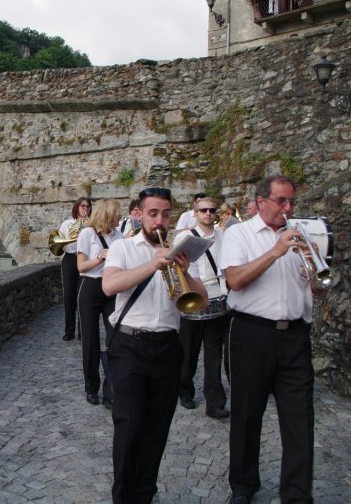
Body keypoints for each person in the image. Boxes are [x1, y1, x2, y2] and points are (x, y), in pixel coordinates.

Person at [219, 174, 325, 504]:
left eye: (292, 201)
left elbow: (317, 287)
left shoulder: (302, 235)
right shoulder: (239, 234)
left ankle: (296, 494)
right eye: (281, 201)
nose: (288, 208)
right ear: (261, 201)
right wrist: (276, 251)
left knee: (300, 419)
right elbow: (235, 280)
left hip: (294, 336)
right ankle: (243, 485)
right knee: (247, 414)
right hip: (252, 333)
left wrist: (314, 264)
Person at [102, 187, 208, 503]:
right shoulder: (124, 248)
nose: (160, 221)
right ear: (139, 214)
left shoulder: (181, 251)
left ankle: (146, 493)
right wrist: (152, 264)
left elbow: (200, 304)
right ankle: (123, 497)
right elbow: (109, 286)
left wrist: (186, 272)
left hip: (167, 347)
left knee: (158, 427)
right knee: (129, 427)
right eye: (153, 213)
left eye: (165, 214)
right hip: (129, 346)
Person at [175, 197, 230, 419]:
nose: (208, 213)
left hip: (218, 297)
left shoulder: (224, 237)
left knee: (214, 354)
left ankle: (215, 402)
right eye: (203, 210)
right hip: (194, 296)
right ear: (195, 214)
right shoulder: (184, 237)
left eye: (211, 210)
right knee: (188, 352)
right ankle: (184, 391)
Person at [76, 199, 122, 408]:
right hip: (91, 288)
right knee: (90, 341)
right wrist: (100, 258)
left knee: (115, 338)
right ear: (107, 214)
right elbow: (81, 267)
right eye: (117, 213)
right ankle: (91, 388)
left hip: (111, 289)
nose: (120, 217)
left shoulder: (118, 235)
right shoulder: (87, 234)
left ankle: (110, 389)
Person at [59, 197, 91, 341]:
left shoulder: (92, 224)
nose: (85, 208)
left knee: (83, 297)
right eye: (83, 206)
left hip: (85, 259)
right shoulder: (67, 224)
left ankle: (81, 332)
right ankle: (69, 331)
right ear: (76, 207)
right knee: (69, 296)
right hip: (70, 258)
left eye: (88, 206)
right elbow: (60, 244)